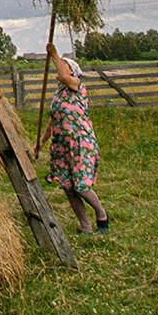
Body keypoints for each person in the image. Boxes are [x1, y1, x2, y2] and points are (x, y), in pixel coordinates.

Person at [44, 41, 110, 234]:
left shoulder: (77, 85)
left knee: (80, 185)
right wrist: (41, 141)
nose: (59, 68)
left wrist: (54, 54)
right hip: (63, 144)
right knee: (68, 187)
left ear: (72, 71)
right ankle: (85, 226)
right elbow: (53, 119)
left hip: (80, 143)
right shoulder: (59, 92)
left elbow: (64, 75)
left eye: (63, 66)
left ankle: (101, 214)